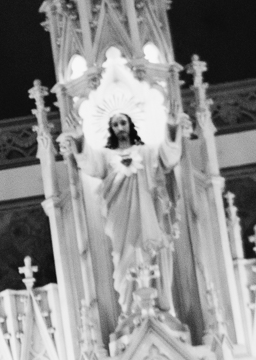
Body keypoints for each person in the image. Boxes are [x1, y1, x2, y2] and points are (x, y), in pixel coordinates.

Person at [74, 112, 181, 313]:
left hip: (147, 215)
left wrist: (173, 127)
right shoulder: (106, 156)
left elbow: (169, 158)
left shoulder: (146, 151)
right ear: (111, 129)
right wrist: (79, 138)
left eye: (123, 123)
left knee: (152, 253)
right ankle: (130, 309)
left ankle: (158, 307)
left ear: (130, 125)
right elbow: (90, 164)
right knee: (123, 260)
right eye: (115, 124)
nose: (120, 127)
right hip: (120, 218)